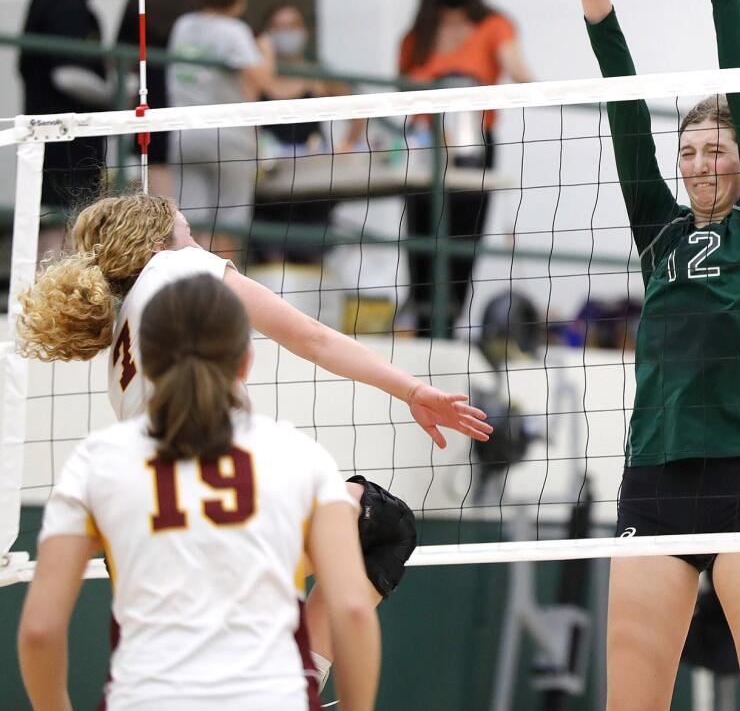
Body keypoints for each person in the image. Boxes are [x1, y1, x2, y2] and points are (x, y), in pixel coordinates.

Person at [526, 0, 740, 710]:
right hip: (653, 476)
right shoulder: (661, 234)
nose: (699, 160)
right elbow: (623, 112)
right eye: (688, 150)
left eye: (714, 147)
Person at [16, 193, 491, 694]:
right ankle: (304, 682)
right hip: (222, 511)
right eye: (188, 230)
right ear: (159, 242)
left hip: (142, 536)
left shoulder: (122, 334)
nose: (197, 242)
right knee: (383, 524)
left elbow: (41, 630)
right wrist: (412, 389)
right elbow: (310, 337)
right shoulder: (180, 265)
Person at [18, 274, 380, 710]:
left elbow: (40, 630)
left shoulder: (96, 462)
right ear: (245, 362)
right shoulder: (301, 457)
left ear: (144, 364)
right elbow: (353, 612)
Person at [398, 0, 533, 336]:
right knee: (421, 236)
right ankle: (424, 322)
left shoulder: (493, 25)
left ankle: (448, 323)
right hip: (426, 148)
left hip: (473, 145)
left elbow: (518, 69)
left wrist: (545, 90)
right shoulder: (415, 39)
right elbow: (402, 92)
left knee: (463, 237)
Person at [20, 0, 127, 257]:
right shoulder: (66, 4)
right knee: (62, 222)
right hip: (65, 140)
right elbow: (68, 75)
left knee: (61, 220)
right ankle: (52, 299)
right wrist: (117, 96)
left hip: (54, 136)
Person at [167, 0, 276, 260]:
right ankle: (222, 294)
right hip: (227, 139)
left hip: (185, 135)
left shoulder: (183, 26)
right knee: (228, 226)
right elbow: (264, 79)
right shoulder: (234, 31)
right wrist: (265, 49)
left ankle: (193, 293)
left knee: (189, 226)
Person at [251, 2, 357, 264]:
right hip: (270, 185)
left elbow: (357, 108)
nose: (286, 33)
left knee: (312, 255)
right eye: (279, 27)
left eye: (293, 26)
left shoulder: (317, 74)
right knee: (272, 259)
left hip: (312, 183)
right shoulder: (256, 77)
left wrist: (347, 143)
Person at [117, 0, 211, 197]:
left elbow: (121, 53)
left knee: (165, 200)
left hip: (152, 99)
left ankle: (172, 232)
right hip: (195, 101)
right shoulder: (203, 9)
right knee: (202, 205)